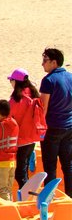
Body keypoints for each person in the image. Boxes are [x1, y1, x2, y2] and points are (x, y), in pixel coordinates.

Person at [40, 47, 72, 195]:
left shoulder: (48, 80)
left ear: (54, 62)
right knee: (68, 165)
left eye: (45, 60)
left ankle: (49, 199)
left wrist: (39, 129)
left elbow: (43, 109)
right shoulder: (70, 77)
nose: (42, 64)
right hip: (69, 127)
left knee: (50, 167)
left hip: (52, 128)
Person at [8, 68, 46, 188]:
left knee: (19, 174)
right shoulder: (34, 94)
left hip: (21, 139)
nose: (11, 83)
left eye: (11, 81)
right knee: (23, 170)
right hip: (32, 138)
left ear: (16, 82)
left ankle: (26, 198)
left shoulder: (17, 99)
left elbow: (8, 117)